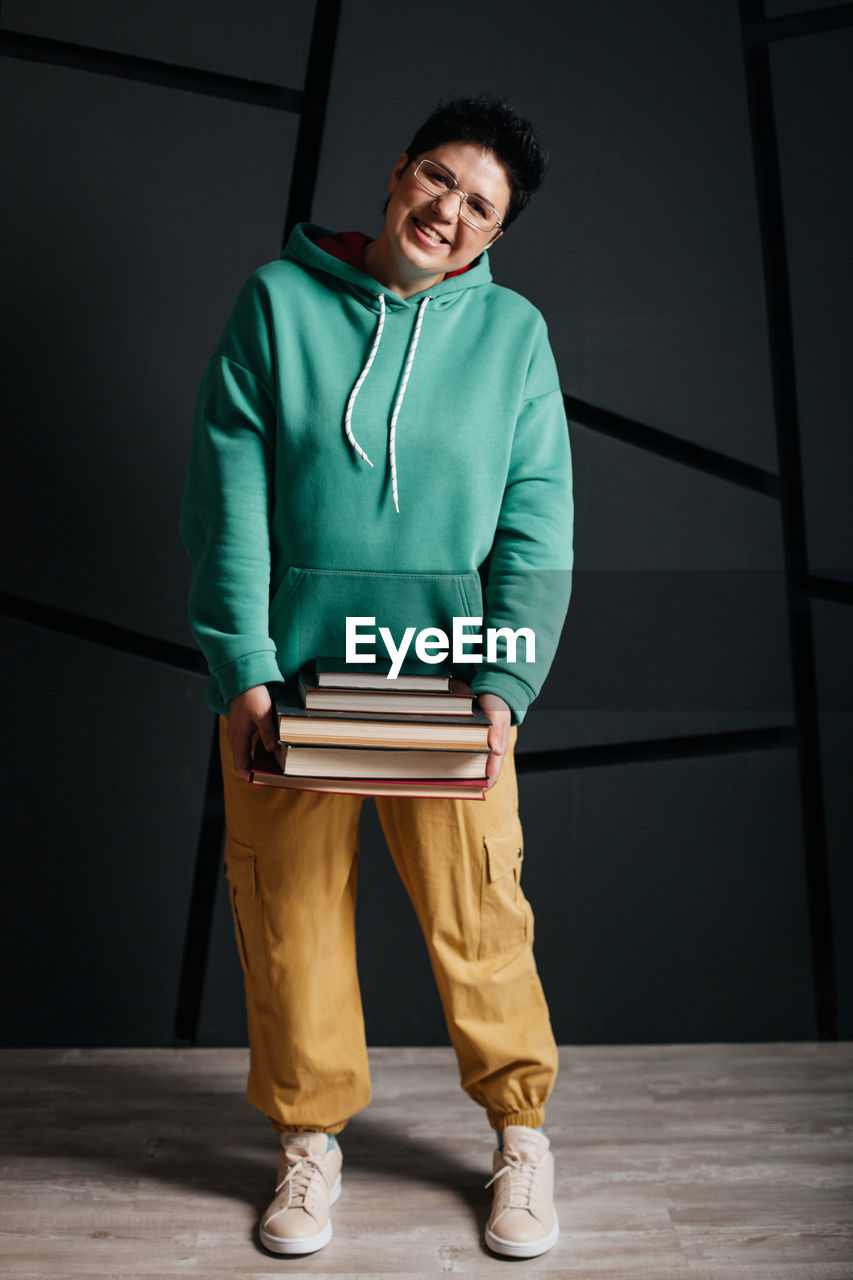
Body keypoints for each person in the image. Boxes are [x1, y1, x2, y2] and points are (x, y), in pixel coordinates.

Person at [180, 95, 573, 1260]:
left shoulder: (516, 340)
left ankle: (520, 1138)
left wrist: (505, 683)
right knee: (289, 917)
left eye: (479, 205)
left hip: (444, 682)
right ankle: (308, 1145)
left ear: (497, 236)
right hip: (292, 680)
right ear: (398, 174)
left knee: (481, 916)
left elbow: (537, 520)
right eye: (437, 179)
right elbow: (226, 493)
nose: (447, 211)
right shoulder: (276, 303)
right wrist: (242, 666)